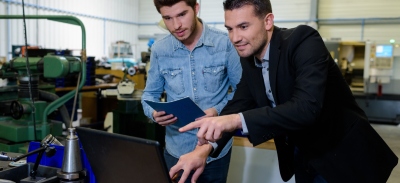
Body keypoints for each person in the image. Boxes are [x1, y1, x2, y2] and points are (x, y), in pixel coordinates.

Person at [174, 0, 399, 182]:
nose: (235, 38)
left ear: (268, 21)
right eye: (230, 29)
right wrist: (202, 151)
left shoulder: (303, 40)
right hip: (303, 159)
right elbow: (239, 104)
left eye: (243, 27)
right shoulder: (249, 58)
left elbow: (306, 108)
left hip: (344, 157)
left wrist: (233, 121)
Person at [141, 0, 242, 182]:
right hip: (176, 151)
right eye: (168, 18)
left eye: (182, 15)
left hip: (215, 150)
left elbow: (242, 92)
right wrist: (154, 113)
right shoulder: (159, 50)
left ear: (196, 8)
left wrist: (216, 111)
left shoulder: (225, 44)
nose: (176, 25)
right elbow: (148, 95)